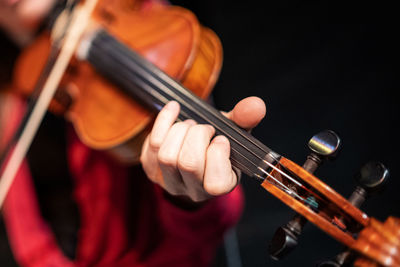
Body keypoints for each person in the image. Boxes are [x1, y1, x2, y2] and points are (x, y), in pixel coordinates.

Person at [0, 0, 267, 266]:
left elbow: (213, 220)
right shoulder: (19, 90)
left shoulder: (139, 18)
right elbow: (29, 239)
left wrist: (190, 196)